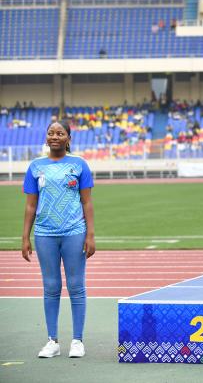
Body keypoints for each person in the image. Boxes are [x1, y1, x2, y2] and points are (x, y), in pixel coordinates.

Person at [22, 121, 95, 359]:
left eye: (60, 133)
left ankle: (78, 340)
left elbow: (87, 202)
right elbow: (31, 205)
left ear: (68, 138)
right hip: (44, 234)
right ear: (46, 138)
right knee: (51, 287)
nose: (55, 136)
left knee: (76, 286)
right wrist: (25, 236)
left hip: (74, 231)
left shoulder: (79, 164)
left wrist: (90, 234)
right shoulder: (36, 166)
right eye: (51, 133)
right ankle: (52, 340)